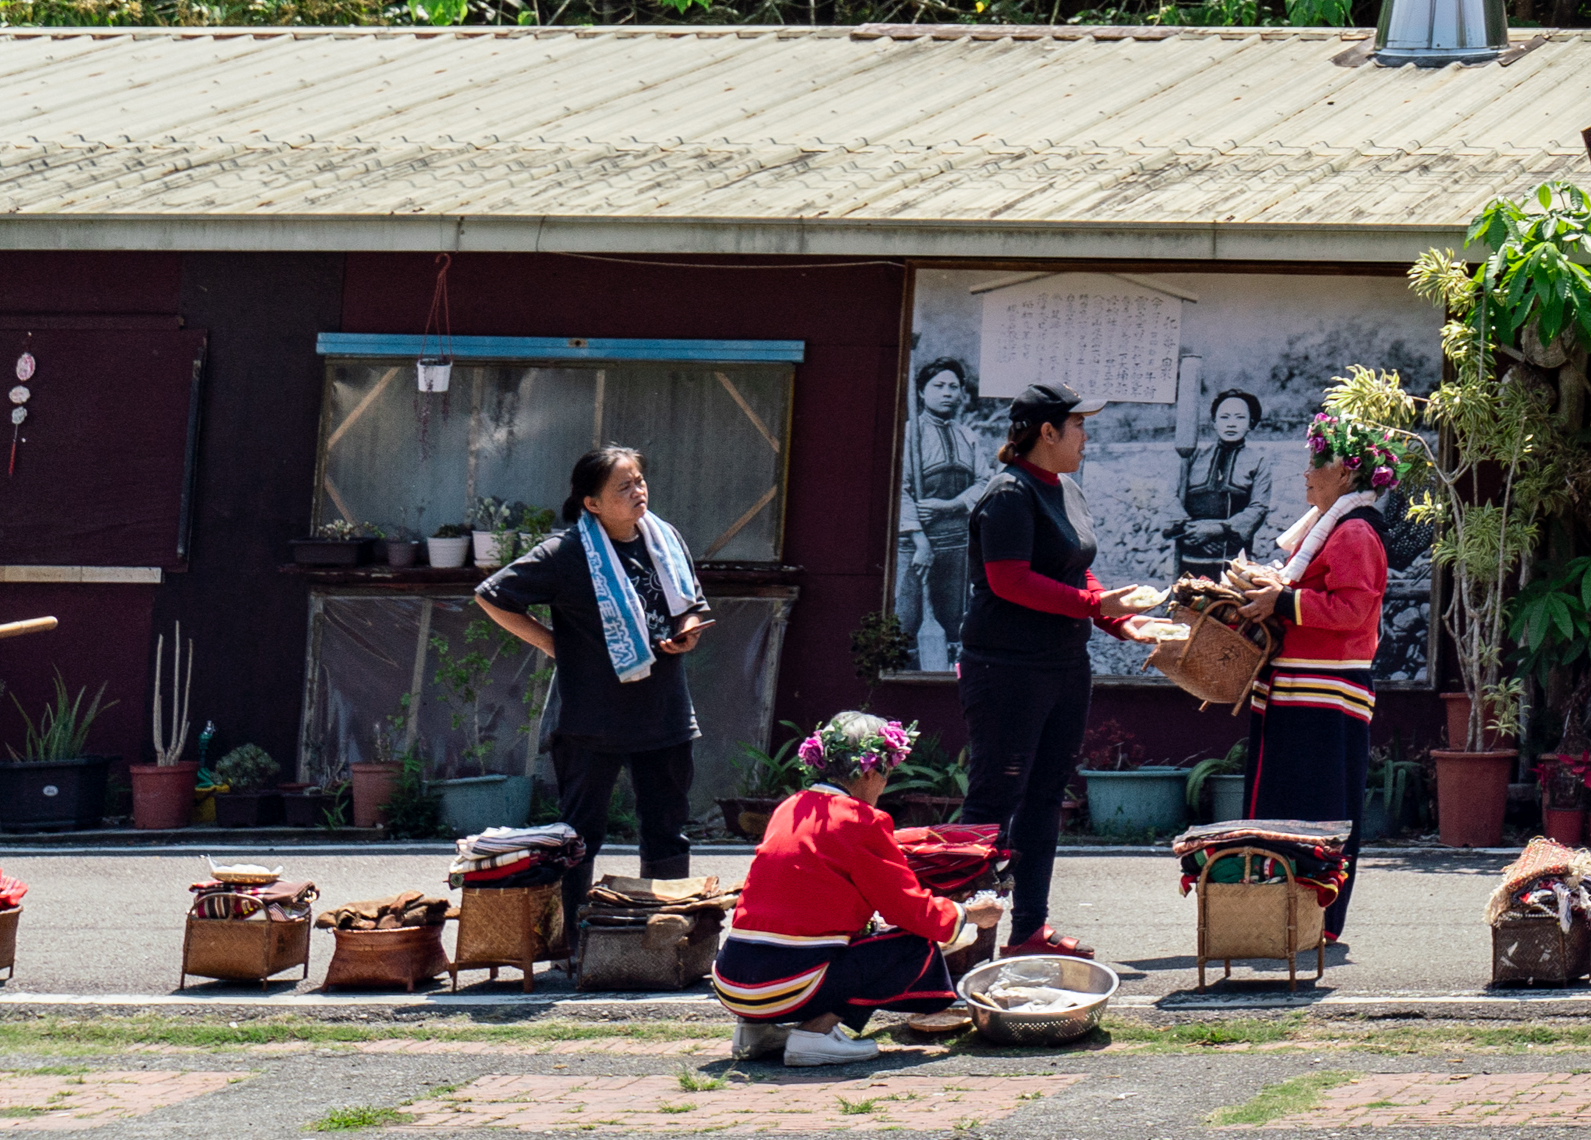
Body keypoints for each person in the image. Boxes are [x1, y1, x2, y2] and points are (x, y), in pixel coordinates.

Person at [956, 384, 1144, 957]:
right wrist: (1094, 607)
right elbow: (1008, 579)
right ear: (1047, 432)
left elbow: (1074, 570)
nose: (1086, 437)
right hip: (1007, 669)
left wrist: (1119, 621)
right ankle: (963, 940)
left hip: (1064, 665)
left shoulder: (1066, 490)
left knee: (1044, 798)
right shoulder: (1008, 494)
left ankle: (1028, 930)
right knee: (994, 801)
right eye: (1079, 425)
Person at [475, 443, 712, 889]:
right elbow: (491, 595)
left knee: (667, 833)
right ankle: (574, 942)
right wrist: (552, 644)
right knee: (580, 837)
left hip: (665, 714)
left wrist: (690, 629)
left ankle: (661, 938)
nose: (638, 491)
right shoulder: (566, 553)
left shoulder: (664, 539)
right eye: (623, 487)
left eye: (639, 480)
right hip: (592, 720)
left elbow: (691, 602)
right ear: (592, 503)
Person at [712, 712, 970, 1071]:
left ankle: (754, 1031)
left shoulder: (791, 806)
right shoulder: (861, 820)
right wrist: (967, 915)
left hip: (731, 981)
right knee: (913, 946)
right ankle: (816, 1034)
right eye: (885, 774)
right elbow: (908, 911)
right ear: (867, 772)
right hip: (787, 985)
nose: (883, 785)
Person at [1229, 411, 1398, 934]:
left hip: (1322, 699)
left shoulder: (1354, 533)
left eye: (1314, 463)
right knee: (1294, 803)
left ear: (1345, 474)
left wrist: (1282, 600)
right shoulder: (1335, 529)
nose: (1305, 473)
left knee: (1317, 806)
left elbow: (1354, 611)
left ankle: (1311, 918)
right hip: (1302, 694)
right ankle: (1281, 915)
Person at [899, 364, 983, 667]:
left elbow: (984, 482)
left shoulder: (968, 436)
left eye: (953, 386)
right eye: (938, 385)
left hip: (957, 545)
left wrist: (949, 505)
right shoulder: (908, 434)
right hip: (915, 547)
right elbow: (900, 488)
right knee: (907, 624)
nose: (947, 392)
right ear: (922, 392)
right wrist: (920, 540)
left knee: (953, 624)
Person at [1170, 384, 1273, 578]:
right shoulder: (1192, 457)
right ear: (1214, 422)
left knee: (1229, 603)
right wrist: (1190, 530)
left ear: (1251, 422)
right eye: (1224, 417)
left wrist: (1218, 530)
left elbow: (1258, 508)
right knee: (1188, 603)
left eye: (1240, 417)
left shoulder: (1259, 461)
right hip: (1191, 553)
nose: (1231, 424)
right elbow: (1171, 497)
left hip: (1233, 555)